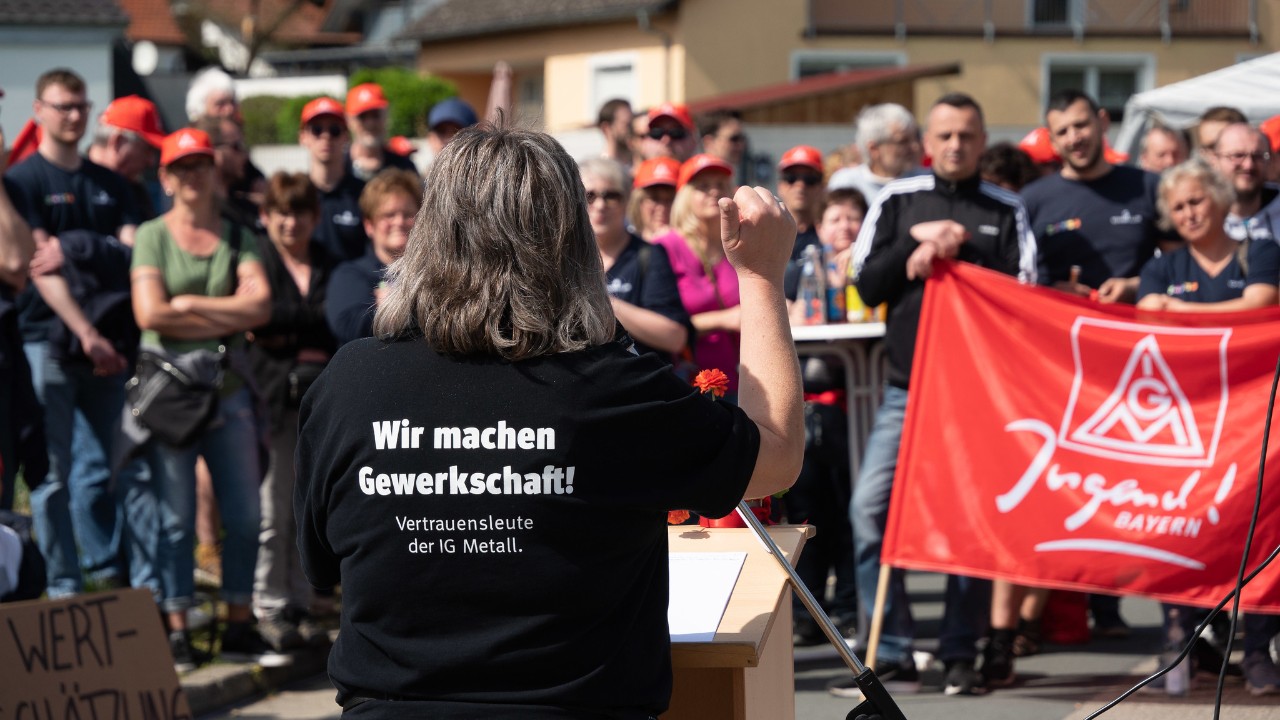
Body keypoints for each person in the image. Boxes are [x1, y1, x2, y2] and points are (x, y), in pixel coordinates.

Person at [294, 123, 803, 718]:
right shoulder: (612, 386)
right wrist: (763, 278)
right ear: (570, 241)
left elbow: (321, 564)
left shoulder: (351, 383)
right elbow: (775, 458)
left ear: (428, 233)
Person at [828, 92, 1037, 699]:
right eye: (945, 135)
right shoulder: (895, 201)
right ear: (928, 142)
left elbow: (1026, 298)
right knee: (870, 512)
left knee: (966, 526)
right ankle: (889, 650)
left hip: (976, 395)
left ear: (981, 139)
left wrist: (962, 251)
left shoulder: (1006, 208)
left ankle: (958, 651)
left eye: (967, 136)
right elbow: (864, 283)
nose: (955, 146)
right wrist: (913, 249)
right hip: (904, 388)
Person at [129, 128, 274, 671]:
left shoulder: (239, 235)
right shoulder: (151, 236)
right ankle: (177, 626)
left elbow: (260, 308)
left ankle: (239, 623)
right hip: (170, 397)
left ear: (215, 172)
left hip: (227, 393)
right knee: (175, 520)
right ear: (165, 178)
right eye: (181, 167)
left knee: (243, 514)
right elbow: (149, 315)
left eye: (201, 165)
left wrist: (185, 301)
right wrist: (218, 310)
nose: (193, 176)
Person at [1136, 159, 1280, 696]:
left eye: (1197, 200)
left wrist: (1183, 310)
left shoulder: (1261, 252)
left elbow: (1263, 304)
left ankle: (1260, 644)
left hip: (1256, 419)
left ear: (1219, 199)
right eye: (1178, 207)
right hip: (1189, 425)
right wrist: (1211, 310)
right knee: (1183, 525)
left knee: (1260, 530)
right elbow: (1149, 312)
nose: (1189, 213)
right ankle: (1183, 639)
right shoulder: (1161, 266)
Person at [7, 68, 142, 598]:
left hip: (109, 350)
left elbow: (132, 255)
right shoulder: (24, 181)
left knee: (115, 469)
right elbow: (41, 267)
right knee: (52, 476)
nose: (73, 116)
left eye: (81, 106)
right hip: (50, 344)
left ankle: (111, 577)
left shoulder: (112, 185)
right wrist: (87, 333)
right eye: (62, 106)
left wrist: (82, 242)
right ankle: (64, 589)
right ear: (38, 111)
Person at [248, 172, 337, 652]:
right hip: (270, 400)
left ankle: (301, 603)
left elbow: (334, 317)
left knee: (307, 509)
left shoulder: (326, 261)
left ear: (314, 217)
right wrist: (280, 325)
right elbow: (260, 315)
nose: (291, 222)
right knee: (272, 510)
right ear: (267, 217)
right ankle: (269, 603)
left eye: (300, 212)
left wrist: (281, 326)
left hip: (316, 404)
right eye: (282, 212)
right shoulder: (258, 260)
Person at [783, 188, 866, 645]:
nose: (845, 228)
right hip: (810, 406)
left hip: (855, 407)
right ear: (821, 225)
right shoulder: (801, 268)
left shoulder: (869, 275)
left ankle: (852, 607)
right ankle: (806, 613)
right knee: (808, 514)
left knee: (851, 514)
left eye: (854, 219)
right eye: (836, 218)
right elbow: (789, 317)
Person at [1023, 89, 1169, 306]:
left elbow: (1179, 268)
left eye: (1081, 125)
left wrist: (1137, 286)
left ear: (1103, 122)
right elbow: (1016, 279)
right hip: (1060, 333)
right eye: (1062, 132)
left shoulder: (1148, 186)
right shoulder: (1031, 200)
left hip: (1135, 332)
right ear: (1052, 141)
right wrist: (1051, 290)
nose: (1074, 138)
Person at [578, 157, 689, 359]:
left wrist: (601, 302)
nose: (601, 205)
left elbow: (675, 337)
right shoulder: (568, 259)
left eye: (611, 196)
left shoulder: (649, 255)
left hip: (640, 383)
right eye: (590, 195)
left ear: (627, 200)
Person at [651, 154, 741, 395]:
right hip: (684, 386)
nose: (714, 192)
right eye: (703, 187)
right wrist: (724, 320)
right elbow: (657, 323)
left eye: (721, 185)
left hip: (740, 383)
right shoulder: (664, 247)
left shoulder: (738, 247)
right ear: (685, 197)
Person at [325, 169, 420, 346]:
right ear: (369, 225)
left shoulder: (433, 273)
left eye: (408, 215)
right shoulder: (349, 274)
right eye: (389, 215)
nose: (399, 222)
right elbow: (348, 326)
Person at [300, 97, 369, 264]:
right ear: (303, 137)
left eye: (334, 130)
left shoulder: (365, 194)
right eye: (316, 130)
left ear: (346, 136)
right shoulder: (297, 194)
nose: (326, 136)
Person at [87, 95, 165, 221]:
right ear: (117, 142)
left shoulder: (137, 191)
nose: (151, 162)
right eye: (147, 150)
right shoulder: (76, 182)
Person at [827, 103, 923, 202]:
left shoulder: (925, 181)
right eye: (903, 142)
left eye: (916, 138)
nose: (915, 147)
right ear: (874, 148)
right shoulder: (847, 183)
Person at [1205, 123, 1280, 242]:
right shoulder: (1200, 218)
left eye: (1258, 156)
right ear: (1214, 160)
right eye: (1237, 155)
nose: (1248, 165)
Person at [345, 83, 418, 181]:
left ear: (386, 117)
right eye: (362, 117)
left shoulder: (403, 168)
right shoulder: (338, 166)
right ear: (349, 121)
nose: (370, 124)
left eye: (375, 115)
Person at [776, 145, 826, 259]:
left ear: (822, 187)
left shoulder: (830, 235)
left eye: (810, 180)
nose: (800, 185)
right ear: (780, 186)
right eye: (791, 178)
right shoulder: (768, 233)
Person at [627, 156, 679, 240]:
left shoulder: (697, 248)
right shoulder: (623, 246)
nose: (662, 208)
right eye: (654, 199)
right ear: (638, 202)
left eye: (671, 199)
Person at [699, 109, 747, 175]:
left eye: (742, 138)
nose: (740, 145)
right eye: (734, 139)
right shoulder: (693, 180)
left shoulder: (730, 181)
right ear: (709, 142)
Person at [596, 98, 634, 168]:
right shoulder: (601, 170)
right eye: (627, 124)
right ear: (606, 128)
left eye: (632, 124)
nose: (633, 129)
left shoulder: (636, 165)